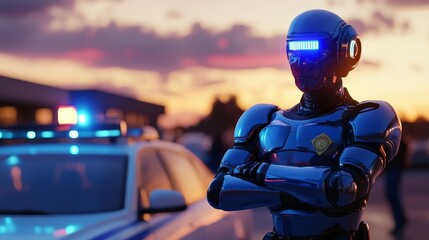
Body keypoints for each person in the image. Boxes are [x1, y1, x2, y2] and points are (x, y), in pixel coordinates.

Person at [207, 9, 402, 240]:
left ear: (345, 53)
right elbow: (220, 191)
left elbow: (342, 188)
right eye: (295, 49)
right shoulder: (263, 119)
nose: (300, 60)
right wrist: (306, 190)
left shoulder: (369, 117)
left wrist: (261, 172)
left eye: (312, 49)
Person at [385, 136, 409, 236]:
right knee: (392, 195)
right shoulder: (399, 139)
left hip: (394, 169)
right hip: (395, 169)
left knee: (392, 195)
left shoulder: (397, 140)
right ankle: (401, 219)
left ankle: (400, 220)